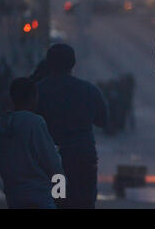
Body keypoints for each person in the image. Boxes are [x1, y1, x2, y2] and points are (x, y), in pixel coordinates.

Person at [36, 44, 109, 208]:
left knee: (57, 202)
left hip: (51, 160)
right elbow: (103, 121)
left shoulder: (38, 91)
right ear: (73, 63)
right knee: (83, 202)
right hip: (83, 158)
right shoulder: (89, 90)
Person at [0, 78, 64, 209]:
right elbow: (52, 163)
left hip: (14, 195)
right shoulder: (34, 122)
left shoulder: (3, 123)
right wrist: (61, 192)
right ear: (33, 97)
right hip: (38, 195)